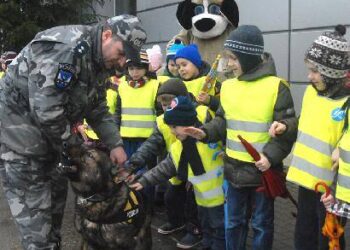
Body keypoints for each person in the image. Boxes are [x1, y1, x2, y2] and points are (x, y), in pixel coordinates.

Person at [0, 14, 146, 249]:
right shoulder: (66, 51)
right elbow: (47, 111)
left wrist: (115, 143)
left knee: (54, 222)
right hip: (21, 144)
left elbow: (97, 107)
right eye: (120, 53)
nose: (121, 63)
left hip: (56, 144)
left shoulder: (99, 61)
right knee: (38, 232)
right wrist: (80, 148)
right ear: (107, 35)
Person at [184, 25, 297, 250]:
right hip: (233, 169)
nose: (230, 64)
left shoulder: (277, 87)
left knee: (261, 224)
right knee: (233, 223)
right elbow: (222, 121)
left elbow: (287, 131)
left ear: (248, 56)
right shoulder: (227, 87)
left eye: (234, 58)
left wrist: (270, 158)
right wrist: (205, 132)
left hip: (262, 171)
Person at [271, 25, 350, 250]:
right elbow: (304, 122)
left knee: (329, 239)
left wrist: (342, 146)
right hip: (307, 183)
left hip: (332, 189)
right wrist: (286, 126)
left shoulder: (347, 102)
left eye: (315, 71)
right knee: (304, 236)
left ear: (331, 73)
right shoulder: (311, 93)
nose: (309, 76)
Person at [130, 96, 226, 250]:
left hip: (221, 200)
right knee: (207, 228)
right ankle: (208, 245)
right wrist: (143, 181)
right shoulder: (178, 148)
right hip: (202, 201)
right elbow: (164, 168)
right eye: (170, 127)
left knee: (220, 231)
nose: (172, 132)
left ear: (188, 124)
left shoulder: (211, 139)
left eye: (174, 127)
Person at [174, 44, 221, 112]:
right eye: (178, 67)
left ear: (195, 63)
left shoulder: (212, 81)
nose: (181, 69)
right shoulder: (177, 85)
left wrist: (210, 100)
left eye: (184, 65)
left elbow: (224, 105)